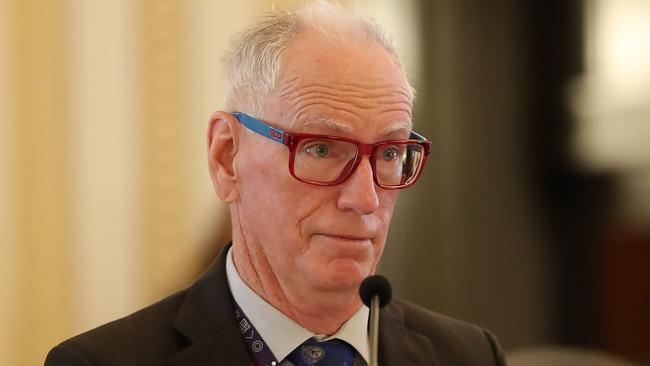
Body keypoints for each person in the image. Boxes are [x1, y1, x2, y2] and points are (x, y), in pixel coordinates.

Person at [46, 2, 506, 365]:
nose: (365, 199)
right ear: (228, 157)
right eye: (322, 149)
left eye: (388, 154)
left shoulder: (468, 356)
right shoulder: (100, 362)